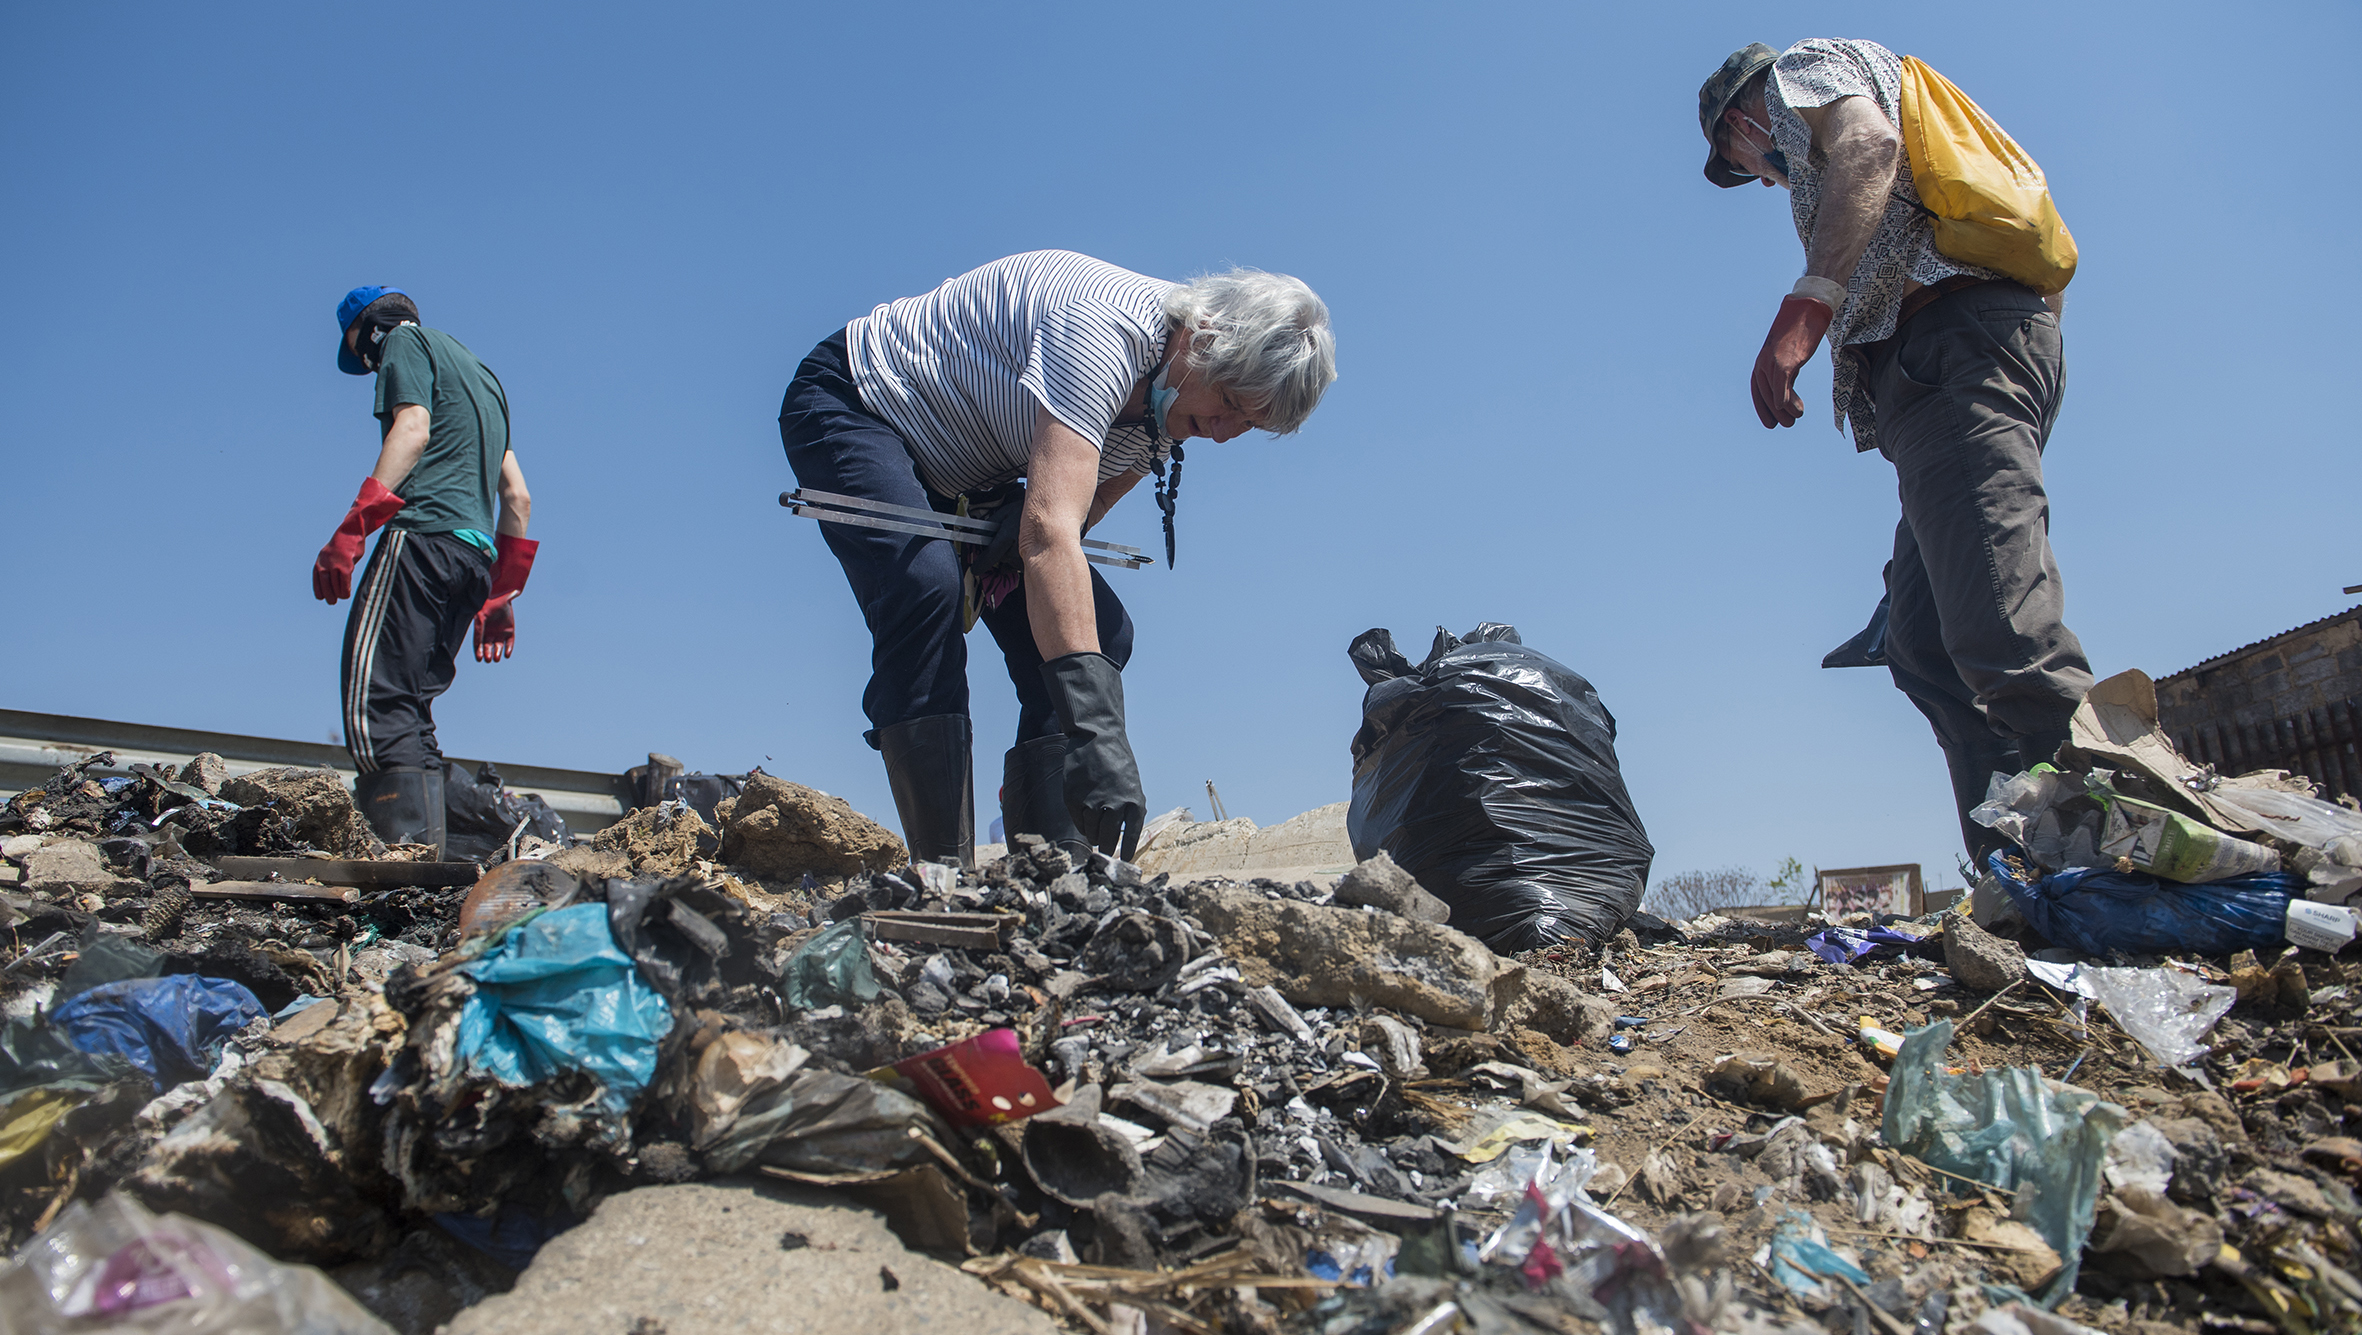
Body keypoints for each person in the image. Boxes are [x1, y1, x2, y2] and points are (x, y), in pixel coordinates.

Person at [781, 250, 1336, 867]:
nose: (1227, 433)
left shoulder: (1175, 401)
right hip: (860, 402)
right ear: (1202, 339)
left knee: (1106, 630)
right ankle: (940, 873)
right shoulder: (1102, 333)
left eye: (1250, 425)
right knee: (926, 588)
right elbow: (1050, 535)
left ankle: (1045, 867)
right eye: (1231, 403)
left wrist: (1020, 525)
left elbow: (1088, 500)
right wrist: (1099, 733)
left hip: (975, 467)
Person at [1697, 41, 2093, 858]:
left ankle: (2119, 862)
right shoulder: (1831, 98)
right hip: (1949, 367)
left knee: (2003, 635)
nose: (1764, 177)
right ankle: (2015, 869)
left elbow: (1869, 145)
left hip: (1953, 349)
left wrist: (1809, 303)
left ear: (1739, 126)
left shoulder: (1794, 77)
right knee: (1921, 640)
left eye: (1747, 166)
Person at [315, 286, 538, 854]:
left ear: (370, 331)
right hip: (473, 557)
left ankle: (402, 861)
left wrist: (354, 525)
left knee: (376, 707)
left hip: (423, 538)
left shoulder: (405, 346)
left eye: (361, 354)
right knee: (413, 717)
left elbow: (412, 428)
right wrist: (500, 594)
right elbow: (516, 496)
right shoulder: (483, 377)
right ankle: (490, 838)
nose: (369, 367)